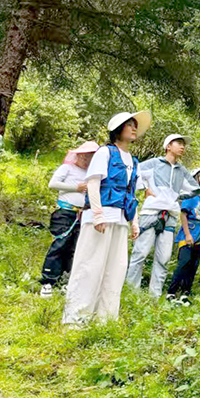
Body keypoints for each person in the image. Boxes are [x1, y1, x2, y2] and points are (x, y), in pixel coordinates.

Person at [63, 110, 151, 326]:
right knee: (90, 265)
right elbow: (93, 183)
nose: (133, 128)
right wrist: (98, 214)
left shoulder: (134, 161)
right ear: (117, 129)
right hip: (100, 218)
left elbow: (131, 194)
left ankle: (105, 319)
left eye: (135, 125)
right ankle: (76, 318)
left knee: (116, 268)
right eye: (129, 124)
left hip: (120, 219)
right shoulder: (105, 153)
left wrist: (135, 222)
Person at [127, 134, 199, 297]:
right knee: (140, 253)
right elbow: (134, 173)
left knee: (164, 258)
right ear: (168, 146)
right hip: (151, 212)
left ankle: (155, 297)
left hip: (171, 216)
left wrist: (177, 197)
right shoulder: (154, 163)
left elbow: (195, 189)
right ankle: (131, 293)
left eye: (183, 144)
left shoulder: (182, 171)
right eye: (178, 143)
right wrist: (145, 188)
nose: (182, 146)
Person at [40, 141, 100, 298]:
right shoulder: (67, 168)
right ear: (78, 155)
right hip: (65, 212)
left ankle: (67, 280)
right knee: (59, 244)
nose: (87, 159)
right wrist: (76, 188)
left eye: (91, 157)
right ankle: (48, 281)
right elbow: (52, 184)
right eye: (85, 156)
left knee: (75, 248)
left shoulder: (91, 175)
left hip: (83, 215)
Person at [167, 168, 200, 303]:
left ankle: (185, 293)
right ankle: (172, 291)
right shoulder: (190, 196)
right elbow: (183, 214)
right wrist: (187, 234)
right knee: (183, 263)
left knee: (193, 265)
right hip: (189, 234)